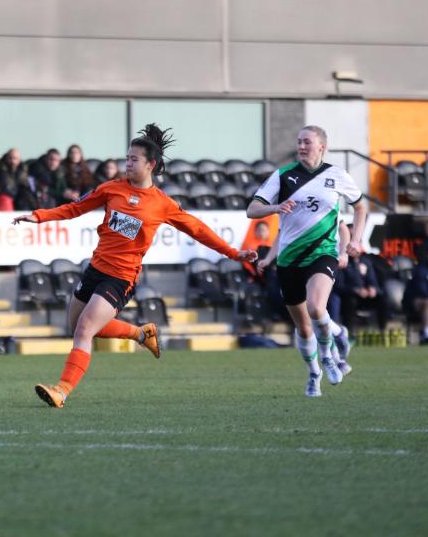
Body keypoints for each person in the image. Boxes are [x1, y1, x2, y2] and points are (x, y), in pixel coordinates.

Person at [13, 124, 258, 409]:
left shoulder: (162, 204)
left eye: (133, 159)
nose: (127, 163)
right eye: (126, 158)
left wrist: (233, 253)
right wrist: (38, 216)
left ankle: (62, 391)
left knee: (84, 331)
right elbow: (73, 208)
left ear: (150, 164)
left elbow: (198, 230)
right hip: (95, 269)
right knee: (77, 326)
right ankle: (142, 334)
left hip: (121, 278)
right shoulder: (111, 188)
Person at [247, 125, 368, 398]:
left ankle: (327, 356)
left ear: (322, 146)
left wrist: (354, 240)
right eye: (299, 142)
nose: (302, 146)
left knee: (316, 307)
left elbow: (360, 207)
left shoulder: (337, 175)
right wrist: (274, 208)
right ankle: (314, 374)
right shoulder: (283, 176)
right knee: (303, 327)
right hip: (290, 260)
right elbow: (252, 210)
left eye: (308, 142)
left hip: (322, 253)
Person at [338, 247, 389, 332]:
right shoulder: (345, 262)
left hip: (366, 297)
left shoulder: (366, 262)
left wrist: (373, 289)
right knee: (350, 302)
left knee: (383, 300)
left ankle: (382, 330)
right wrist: (356, 290)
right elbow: (340, 285)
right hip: (351, 296)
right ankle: (350, 332)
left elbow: (373, 281)